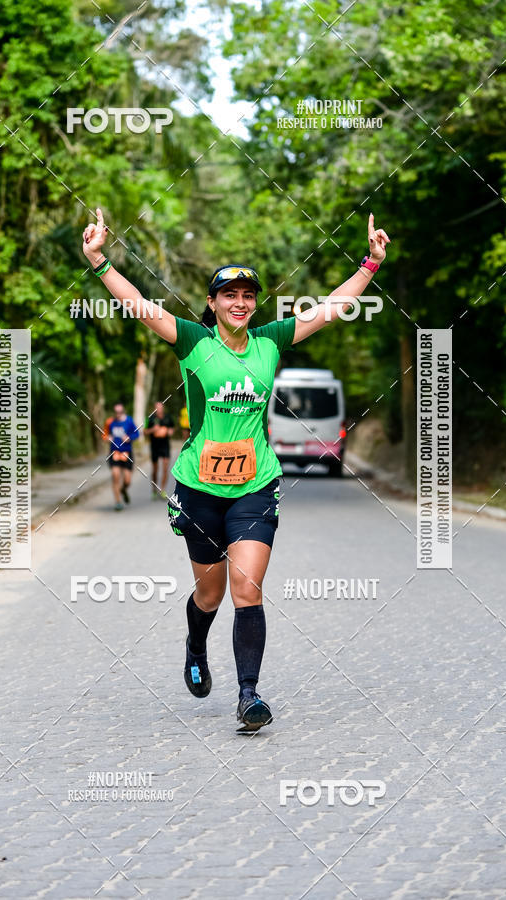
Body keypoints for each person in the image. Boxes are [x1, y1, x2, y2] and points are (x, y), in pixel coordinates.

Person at [82, 209, 389, 730]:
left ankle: (249, 696)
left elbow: (330, 310)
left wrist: (370, 264)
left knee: (247, 586)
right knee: (211, 592)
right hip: (199, 488)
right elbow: (139, 307)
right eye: (229, 295)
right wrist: (98, 261)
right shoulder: (192, 342)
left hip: (255, 485)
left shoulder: (271, 341)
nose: (240, 303)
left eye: (248, 295)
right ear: (213, 302)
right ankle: (195, 645)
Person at [102, 402, 139, 510]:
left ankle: (123, 489)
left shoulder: (129, 421)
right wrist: (107, 438)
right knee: (115, 475)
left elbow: (137, 434)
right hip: (114, 453)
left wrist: (129, 438)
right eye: (116, 412)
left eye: (120, 412)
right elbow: (104, 435)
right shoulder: (110, 422)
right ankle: (118, 502)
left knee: (127, 480)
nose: (118, 414)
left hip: (127, 453)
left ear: (123, 412)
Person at [144, 400, 174, 499]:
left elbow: (172, 428)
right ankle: (154, 490)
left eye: (160, 407)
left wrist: (169, 431)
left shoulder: (168, 417)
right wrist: (153, 430)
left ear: (163, 408)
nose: (158, 409)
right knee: (155, 470)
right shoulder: (150, 418)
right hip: (154, 446)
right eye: (157, 407)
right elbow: (144, 432)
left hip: (165, 446)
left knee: (165, 468)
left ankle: (162, 490)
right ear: (154, 408)